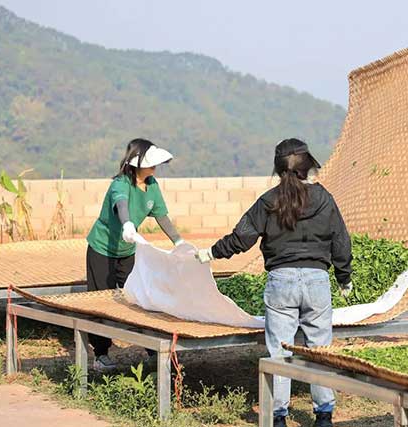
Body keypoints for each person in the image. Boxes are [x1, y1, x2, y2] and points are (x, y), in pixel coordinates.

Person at [196, 138, 352, 427]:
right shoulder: (324, 198)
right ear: (308, 167)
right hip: (317, 280)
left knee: (279, 351)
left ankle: (278, 417)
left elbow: (242, 237)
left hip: (281, 282)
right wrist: (344, 278)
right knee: (320, 349)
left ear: (278, 170)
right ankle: (324, 416)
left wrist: (211, 253)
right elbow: (341, 240)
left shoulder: (268, 201)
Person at [86, 138, 184, 370]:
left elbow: (161, 215)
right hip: (102, 250)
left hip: (128, 251)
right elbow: (121, 204)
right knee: (100, 302)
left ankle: (154, 350)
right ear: (136, 164)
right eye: (150, 164)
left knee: (141, 298)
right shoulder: (120, 184)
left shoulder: (152, 185)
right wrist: (128, 224)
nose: (154, 169)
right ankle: (101, 353)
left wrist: (179, 241)